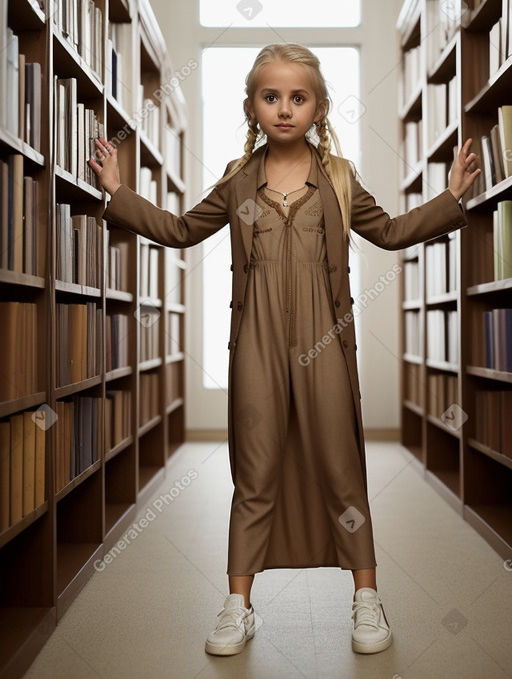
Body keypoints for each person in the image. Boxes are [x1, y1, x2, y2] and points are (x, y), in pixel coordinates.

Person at [89, 43, 480, 658]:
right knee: (255, 467)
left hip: (328, 342)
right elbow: (181, 230)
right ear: (252, 107)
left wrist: (453, 197)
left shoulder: (341, 180)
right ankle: (238, 605)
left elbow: (395, 232)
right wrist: (116, 190)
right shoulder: (238, 180)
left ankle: (367, 597)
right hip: (256, 345)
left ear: (320, 108)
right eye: (271, 97)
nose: (285, 108)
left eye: (299, 97)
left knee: (341, 461)